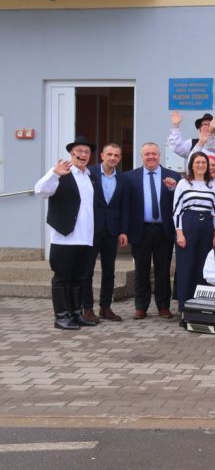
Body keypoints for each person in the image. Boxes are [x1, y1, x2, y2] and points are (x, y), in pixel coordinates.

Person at [34, 136, 98, 330]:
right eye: (79, 151)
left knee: (78, 278)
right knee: (62, 278)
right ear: (71, 153)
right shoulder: (61, 173)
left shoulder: (89, 176)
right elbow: (40, 191)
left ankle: (75, 314)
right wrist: (55, 173)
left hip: (85, 237)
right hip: (64, 237)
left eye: (87, 152)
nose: (83, 155)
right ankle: (61, 317)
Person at [121, 142, 182, 319]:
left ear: (159, 156)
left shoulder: (173, 176)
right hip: (140, 230)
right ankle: (141, 307)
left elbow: (179, 202)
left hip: (164, 230)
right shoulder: (130, 177)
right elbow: (125, 206)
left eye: (154, 154)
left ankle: (163, 306)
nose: (151, 157)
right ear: (142, 156)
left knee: (163, 270)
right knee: (141, 270)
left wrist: (172, 188)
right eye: (147, 154)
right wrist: (124, 230)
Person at [81, 142, 126, 322]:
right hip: (91, 229)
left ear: (119, 158)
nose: (113, 158)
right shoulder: (88, 173)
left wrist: (123, 231)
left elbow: (123, 206)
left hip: (111, 231)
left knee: (109, 271)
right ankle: (87, 309)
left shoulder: (122, 178)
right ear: (102, 156)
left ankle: (105, 308)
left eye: (116, 155)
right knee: (87, 271)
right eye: (110, 154)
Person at [172, 151, 215, 315]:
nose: (200, 165)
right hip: (188, 225)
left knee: (203, 267)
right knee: (186, 267)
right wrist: (179, 234)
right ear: (191, 165)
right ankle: (184, 309)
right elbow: (177, 211)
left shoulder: (212, 184)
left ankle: (200, 307)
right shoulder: (183, 183)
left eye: (203, 163)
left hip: (207, 226)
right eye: (197, 162)